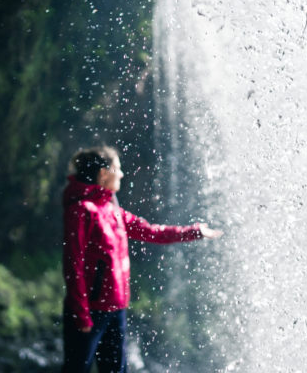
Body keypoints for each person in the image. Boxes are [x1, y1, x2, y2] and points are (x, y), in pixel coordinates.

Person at [61, 145, 222, 373]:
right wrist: (82, 314)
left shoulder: (111, 209)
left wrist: (193, 231)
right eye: (118, 168)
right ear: (104, 174)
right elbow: (73, 265)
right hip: (90, 311)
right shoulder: (82, 210)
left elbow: (150, 231)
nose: (122, 174)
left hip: (116, 309)